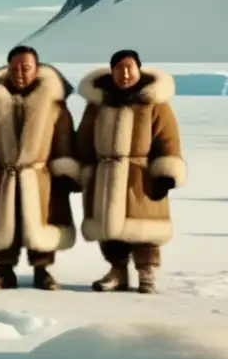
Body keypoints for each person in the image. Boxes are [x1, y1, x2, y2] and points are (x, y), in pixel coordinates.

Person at [0, 46, 80, 291]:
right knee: (2, 223)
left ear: (36, 69)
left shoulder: (53, 103)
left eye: (26, 67)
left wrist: (66, 172)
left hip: (40, 177)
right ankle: (3, 272)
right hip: (2, 176)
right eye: (15, 67)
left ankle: (42, 271)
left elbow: (64, 139)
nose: (19, 72)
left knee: (41, 223)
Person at [75, 49, 186, 294]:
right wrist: (79, 170)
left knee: (144, 229)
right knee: (109, 229)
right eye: (119, 68)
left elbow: (168, 139)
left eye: (130, 67)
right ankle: (117, 272)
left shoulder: (154, 104)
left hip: (140, 176)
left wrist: (166, 172)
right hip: (103, 174)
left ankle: (147, 273)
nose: (124, 73)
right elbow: (83, 139)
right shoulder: (97, 104)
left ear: (139, 69)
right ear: (111, 70)